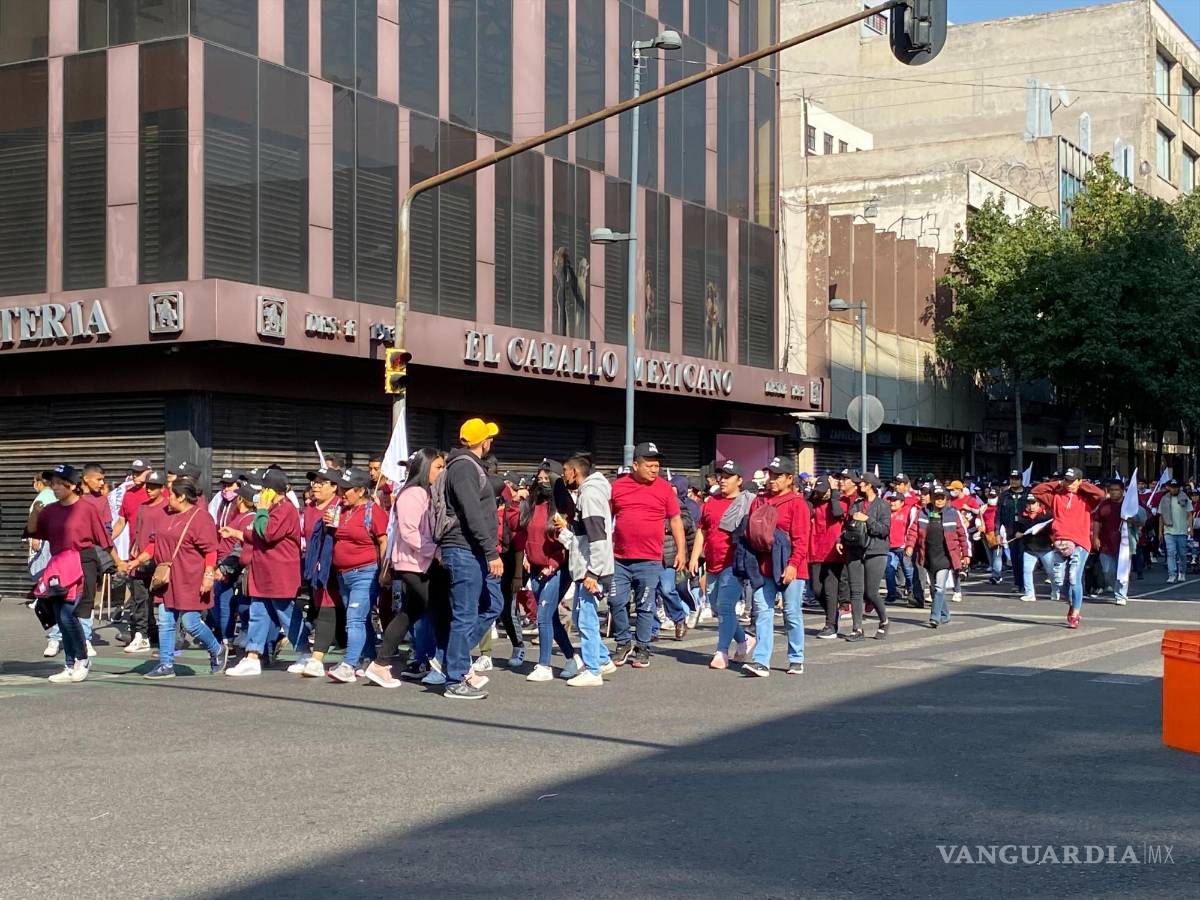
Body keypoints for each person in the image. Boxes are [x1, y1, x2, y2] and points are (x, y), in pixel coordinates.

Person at [24, 464, 119, 683]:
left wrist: (118, 562)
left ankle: (82, 659)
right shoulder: (50, 510)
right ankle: (69, 665)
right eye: (53, 483)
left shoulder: (87, 508)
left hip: (82, 562)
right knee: (59, 615)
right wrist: (35, 515)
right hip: (58, 564)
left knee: (69, 614)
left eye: (59, 483)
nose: (54, 488)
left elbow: (104, 540)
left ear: (73, 485)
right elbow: (33, 531)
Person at [367, 449, 448, 689]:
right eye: (438, 467)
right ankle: (448, 664)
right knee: (440, 611)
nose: (442, 472)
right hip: (414, 564)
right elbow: (410, 532)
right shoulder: (413, 494)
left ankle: (380, 664)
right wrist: (435, 551)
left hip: (419, 563)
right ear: (425, 468)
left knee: (409, 613)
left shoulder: (425, 493)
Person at [438, 418, 503, 700]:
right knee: (464, 615)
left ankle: (455, 658)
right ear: (484, 441)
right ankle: (455, 676)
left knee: (493, 603)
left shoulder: (468, 466)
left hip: (471, 550)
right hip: (464, 549)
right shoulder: (464, 467)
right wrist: (492, 552)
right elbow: (472, 512)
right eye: (489, 438)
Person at [608, 442, 687, 669]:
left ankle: (643, 647)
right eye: (649, 465)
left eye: (657, 465)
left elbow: (675, 520)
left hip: (650, 559)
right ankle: (623, 643)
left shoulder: (664, 488)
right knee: (616, 601)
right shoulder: (619, 487)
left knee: (645, 604)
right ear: (635, 465)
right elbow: (606, 516)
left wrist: (681, 551)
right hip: (619, 558)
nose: (654, 469)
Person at [142, 478, 229, 679]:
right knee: (165, 621)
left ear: (181, 497)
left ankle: (217, 650)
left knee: (191, 623)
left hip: (190, 577)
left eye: (171, 495)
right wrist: (136, 561)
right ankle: (165, 664)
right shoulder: (165, 515)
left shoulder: (200, 517)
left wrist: (208, 577)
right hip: (168, 579)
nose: (167, 498)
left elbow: (210, 551)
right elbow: (153, 543)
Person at [227, 468, 304, 676]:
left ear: (273, 490)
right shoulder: (270, 508)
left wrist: (261, 511)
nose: (260, 494)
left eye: (264, 489)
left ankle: (304, 652)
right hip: (262, 571)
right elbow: (254, 533)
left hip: (280, 572)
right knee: (258, 613)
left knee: (286, 613)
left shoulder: (285, 509)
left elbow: (267, 533)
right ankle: (252, 656)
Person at [744, 455, 810, 677]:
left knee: (791, 613)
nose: (772, 479)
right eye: (770, 475)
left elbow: (802, 540)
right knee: (763, 610)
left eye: (777, 475)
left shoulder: (797, 503)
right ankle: (761, 661)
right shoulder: (759, 500)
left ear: (789, 478)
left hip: (791, 567)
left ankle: (796, 657)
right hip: (763, 566)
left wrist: (793, 565)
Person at [521, 459, 584, 682]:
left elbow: (569, 542)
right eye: (540, 477)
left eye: (548, 477)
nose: (542, 481)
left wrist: (554, 565)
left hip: (558, 569)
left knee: (544, 616)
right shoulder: (531, 504)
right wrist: (527, 557)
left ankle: (544, 665)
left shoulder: (565, 507)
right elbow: (527, 535)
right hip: (536, 567)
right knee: (551, 619)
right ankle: (571, 658)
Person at [558, 452, 617, 687]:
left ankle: (593, 669)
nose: (564, 476)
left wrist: (593, 573)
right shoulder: (589, 492)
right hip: (589, 566)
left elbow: (598, 537)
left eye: (565, 471)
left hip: (591, 569)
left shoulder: (590, 494)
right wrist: (565, 531)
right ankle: (602, 659)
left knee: (586, 618)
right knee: (581, 615)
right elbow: (585, 536)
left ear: (574, 471)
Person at [324, 468, 388, 683]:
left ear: (361, 491)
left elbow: (383, 541)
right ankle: (367, 657)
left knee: (354, 620)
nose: (342, 493)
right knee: (361, 620)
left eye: (346, 489)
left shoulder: (374, 512)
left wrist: (385, 571)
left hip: (366, 572)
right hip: (343, 575)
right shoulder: (341, 510)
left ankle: (349, 664)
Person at [691, 459, 754, 670]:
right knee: (717, 606)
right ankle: (744, 639)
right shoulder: (711, 501)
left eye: (728, 477)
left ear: (739, 480)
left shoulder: (747, 502)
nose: (723, 480)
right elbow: (702, 529)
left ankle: (722, 652)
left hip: (734, 563)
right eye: (721, 476)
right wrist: (694, 556)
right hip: (712, 561)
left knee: (726, 606)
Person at [1031, 468, 1105, 628]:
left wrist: (1082, 485)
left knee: (1073, 577)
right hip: (1060, 542)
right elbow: (1036, 491)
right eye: (1067, 480)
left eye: (1072, 481)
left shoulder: (1086, 498)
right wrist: (1058, 483)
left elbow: (1100, 494)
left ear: (1079, 481)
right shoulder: (1056, 497)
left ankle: (1076, 613)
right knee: (1058, 581)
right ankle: (1072, 603)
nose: (1069, 484)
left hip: (1081, 542)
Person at [293, 467, 342, 678]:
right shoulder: (310, 508)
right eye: (314, 482)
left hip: (337, 566)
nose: (316, 486)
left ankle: (317, 659)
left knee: (336, 610)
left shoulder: (339, 506)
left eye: (322, 482)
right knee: (325, 609)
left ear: (334, 487)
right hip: (315, 567)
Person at [905, 485, 971, 628]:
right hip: (928, 555)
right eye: (936, 498)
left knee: (940, 587)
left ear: (946, 499)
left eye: (942, 498)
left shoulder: (953, 513)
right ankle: (945, 615)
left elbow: (962, 534)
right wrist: (909, 545)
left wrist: (966, 553)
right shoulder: (922, 512)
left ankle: (934, 616)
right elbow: (913, 531)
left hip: (946, 556)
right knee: (935, 589)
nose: (939, 501)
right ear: (932, 498)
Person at [121, 470, 172, 654]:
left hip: (159, 560)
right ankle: (140, 636)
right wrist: (134, 550)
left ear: (162, 488)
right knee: (139, 599)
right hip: (140, 560)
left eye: (154, 487)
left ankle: (159, 634)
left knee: (162, 601)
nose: (149, 490)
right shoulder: (142, 507)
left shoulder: (168, 507)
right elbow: (138, 531)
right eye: (147, 486)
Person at [841, 473, 891, 642]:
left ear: (869, 485)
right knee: (856, 591)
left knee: (871, 592)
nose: (859, 485)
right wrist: (841, 540)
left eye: (861, 482)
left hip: (876, 551)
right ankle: (857, 629)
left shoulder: (883, 505)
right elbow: (848, 525)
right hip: (855, 549)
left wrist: (867, 519)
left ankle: (884, 621)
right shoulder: (857, 503)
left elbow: (884, 530)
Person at [1092, 477, 1145, 607]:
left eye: (1116, 490)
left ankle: (1120, 595)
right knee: (1107, 571)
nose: (1114, 492)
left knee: (1122, 571)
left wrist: (1131, 519)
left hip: (1125, 544)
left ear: (1122, 491)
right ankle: (1115, 586)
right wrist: (1095, 537)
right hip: (1106, 543)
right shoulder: (1104, 504)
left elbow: (1142, 521)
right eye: (1111, 490)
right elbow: (1097, 521)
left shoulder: (1130, 505)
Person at [809, 476, 847, 639]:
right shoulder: (814, 504)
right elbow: (804, 508)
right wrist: (811, 494)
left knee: (830, 589)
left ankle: (830, 624)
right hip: (815, 551)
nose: (820, 494)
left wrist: (834, 493)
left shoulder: (839, 502)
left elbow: (837, 512)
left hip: (833, 551)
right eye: (818, 491)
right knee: (817, 589)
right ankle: (833, 614)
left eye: (823, 491)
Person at [1015, 494, 1055, 602]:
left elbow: (1053, 530)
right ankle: (1030, 594)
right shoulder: (1022, 517)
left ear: (1039, 504)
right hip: (1029, 548)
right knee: (1027, 571)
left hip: (1045, 548)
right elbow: (1017, 530)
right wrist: (1017, 534)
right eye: (1029, 503)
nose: (1031, 506)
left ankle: (1056, 591)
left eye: (1033, 503)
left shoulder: (1047, 516)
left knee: (1051, 571)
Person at [997, 470, 1028, 594]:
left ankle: (1026, 584)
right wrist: (997, 532)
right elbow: (998, 515)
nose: (1014, 481)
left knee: (1025, 558)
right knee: (1015, 558)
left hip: (1025, 529)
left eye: (1016, 478)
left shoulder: (1028, 493)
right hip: (1010, 529)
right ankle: (1018, 583)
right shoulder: (1004, 495)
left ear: (1021, 480)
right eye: (1012, 478)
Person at [1158, 479, 1193, 584]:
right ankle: (1172, 574)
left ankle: (1182, 572)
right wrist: (1160, 532)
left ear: (1179, 488)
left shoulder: (1185, 498)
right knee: (1171, 553)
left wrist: (1190, 528)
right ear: (1169, 487)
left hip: (1182, 531)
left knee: (1182, 554)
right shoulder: (1164, 499)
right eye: (1172, 487)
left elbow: (1190, 514)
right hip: (1168, 531)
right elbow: (1161, 516)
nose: (1174, 489)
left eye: (1176, 487)